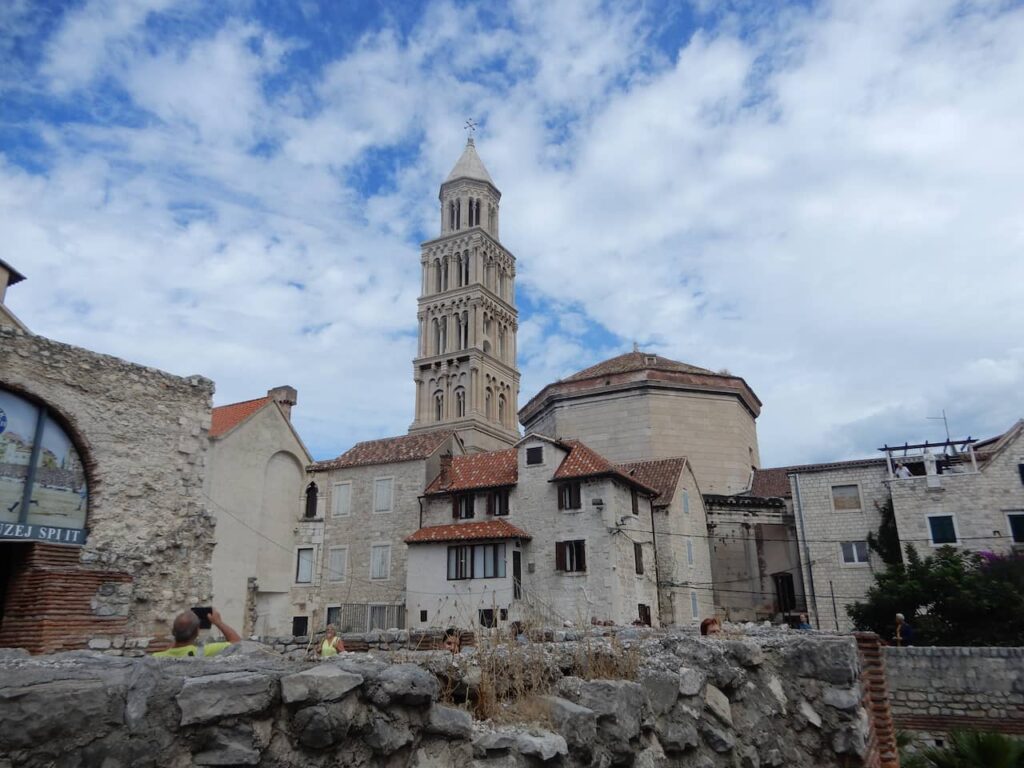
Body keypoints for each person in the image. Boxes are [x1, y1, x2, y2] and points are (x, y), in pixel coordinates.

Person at [152, 608, 241, 658]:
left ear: (173, 631)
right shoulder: (202, 652)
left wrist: (177, 635)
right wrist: (218, 622)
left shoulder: (156, 657)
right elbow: (236, 642)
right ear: (197, 632)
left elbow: (170, 649)